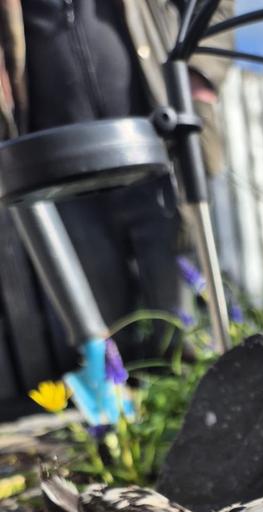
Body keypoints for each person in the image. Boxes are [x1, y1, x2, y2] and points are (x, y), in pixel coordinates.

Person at [0, 0, 234, 362]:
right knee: (103, 337)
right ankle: (126, 414)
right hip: (59, 173)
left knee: (184, 326)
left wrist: (201, 73)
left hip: (158, 150)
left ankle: (211, 405)